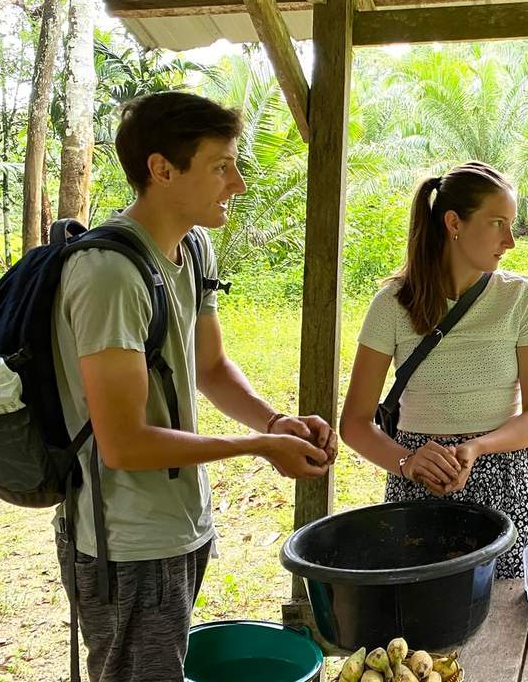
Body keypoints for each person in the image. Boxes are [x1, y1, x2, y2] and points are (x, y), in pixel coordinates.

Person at [52, 91, 336, 681]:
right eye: (220, 166)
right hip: (126, 538)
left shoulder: (194, 246)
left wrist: (274, 423)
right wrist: (258, 449)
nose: (236, 182)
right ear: (161, 170)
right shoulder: (108, 275)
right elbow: (124, 444)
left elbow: (210, 368)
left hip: (182, 520)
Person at [340, 162, 528, 578]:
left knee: (512, 617)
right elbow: (354, 424)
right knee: (422, 625)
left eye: (510, 225)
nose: (509, 241)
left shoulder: (522, 300)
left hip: (505, 479)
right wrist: (408, 463)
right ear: (454, 223)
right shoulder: (392, 305)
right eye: (497, 224)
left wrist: (476, 448)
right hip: (421, 484)